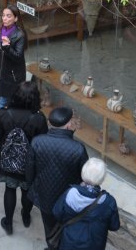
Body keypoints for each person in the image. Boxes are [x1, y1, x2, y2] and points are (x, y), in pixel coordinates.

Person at [27, 106, 89, 248]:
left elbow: (30, 171)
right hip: (68, 200)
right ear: (68, 125)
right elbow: (84, 177)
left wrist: (33, 188)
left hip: (44, 196)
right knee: (66, 229)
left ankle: (51, 245)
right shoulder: (78, 148)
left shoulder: (37, 141)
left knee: (49, 227)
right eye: (72, 120)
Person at [0, 81, 48, 235]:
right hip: (29, 165)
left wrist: (2, 155)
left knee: (9, 189)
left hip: (8, 161)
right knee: (27, 191)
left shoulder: (4, 113)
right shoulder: (39, 118)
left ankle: (9, 223)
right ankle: (26, 216)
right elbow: (42, 144)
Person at [52, 158, 120, 250]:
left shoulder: (70, 193)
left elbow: (57, 213)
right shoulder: (108, 202)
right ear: (102, 178)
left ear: (83, 173)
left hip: (69, 242)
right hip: (95, 245)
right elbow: (114, 226)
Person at [0, 5, 27, 109]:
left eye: (8, 16)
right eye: (3, 15)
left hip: (12, 75)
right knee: (2, 100)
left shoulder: (20, 35)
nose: (4, 18)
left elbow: (18, 57)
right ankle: (4, 120)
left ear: (15, 18)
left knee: (8, 101)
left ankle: (8, 121)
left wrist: (7, 47)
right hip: (0, 72)